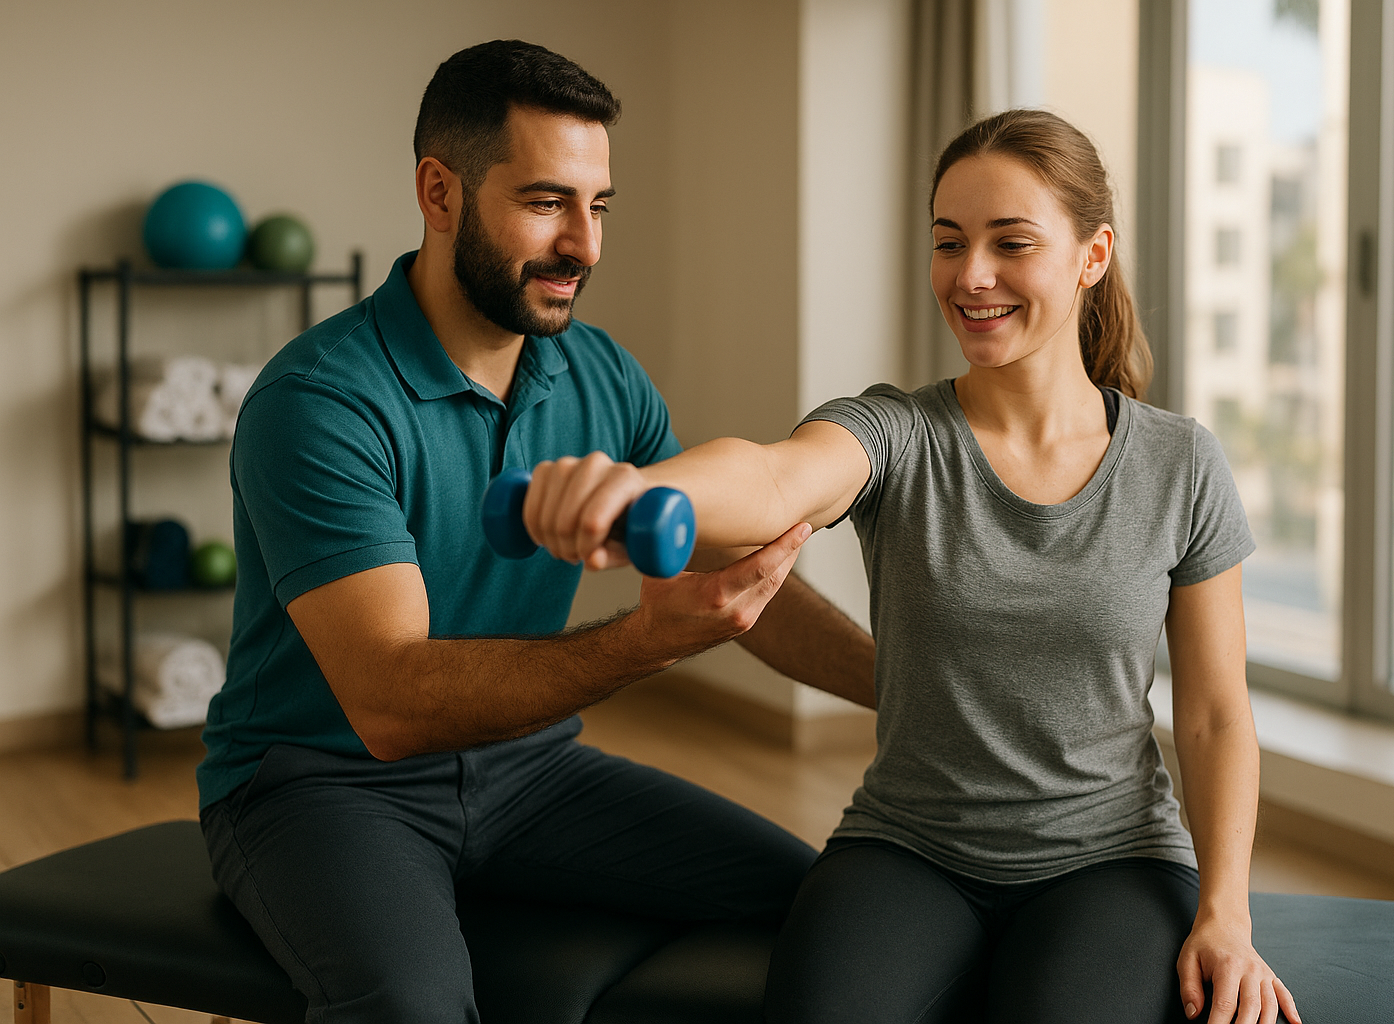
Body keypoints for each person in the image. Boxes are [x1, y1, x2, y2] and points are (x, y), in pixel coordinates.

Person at [523, 108, 1302, 1024]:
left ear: (1092, 256)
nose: (971, 276)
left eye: (1012, 243)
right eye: (949, 242)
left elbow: (1214, 715)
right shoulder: (897, 432)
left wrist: (1227, 914)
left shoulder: (1179, 464)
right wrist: (642, 489)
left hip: (1111, 858)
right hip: (910, 847)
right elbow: (774, 476)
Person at [195, 39, 875, 1024]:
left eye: (599, 207)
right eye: (548, 202)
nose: (585, 245)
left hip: (529, 769)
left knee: (822, 907)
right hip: (319, 785)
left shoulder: (603, 374)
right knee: (413, 1007)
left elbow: (732, 575)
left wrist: (903, 685)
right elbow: (390, 705)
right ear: (440, 192)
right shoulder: (320, 400)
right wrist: (644, 643)